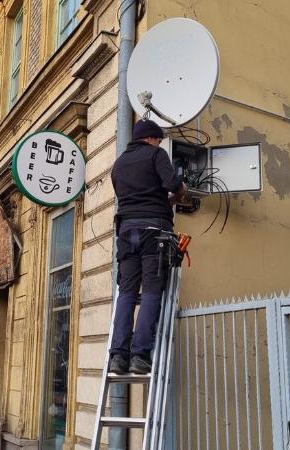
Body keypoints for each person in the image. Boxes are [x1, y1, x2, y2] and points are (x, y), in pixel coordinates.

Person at [109, 119, 186, 375]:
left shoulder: (118, 165)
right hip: (154, 231)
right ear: (151, 138)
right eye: (159, 139)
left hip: (126, 231)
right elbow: (173, 186)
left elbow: (128, 197)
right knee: (152, 290)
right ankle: (140, 355)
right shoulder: (156, 154)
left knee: (127, 292)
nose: (160, 142)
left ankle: (118, 356)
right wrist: (179, 194)